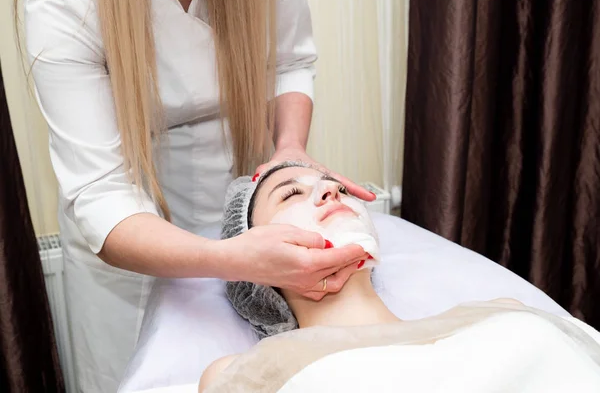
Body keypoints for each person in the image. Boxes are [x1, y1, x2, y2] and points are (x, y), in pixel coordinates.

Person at [19, 0, 374, 391]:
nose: (325, 194)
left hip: (238, 174)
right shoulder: (65, 2)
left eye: (294, 192)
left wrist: (289, 148)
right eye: (293, 193)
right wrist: (232, 259)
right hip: (122, 229)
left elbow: (290, 62)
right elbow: (102, 193)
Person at [199, 162, 600, 392]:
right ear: (253, 267)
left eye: (334, 185)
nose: (329, 191)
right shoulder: (253, 370)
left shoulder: (500, 314)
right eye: (290, 195)